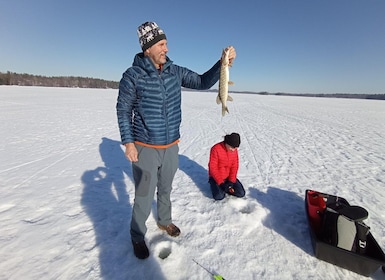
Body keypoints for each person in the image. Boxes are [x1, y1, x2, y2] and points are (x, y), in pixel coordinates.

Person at [116, 21, 236, 259]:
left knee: (167, 189)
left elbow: (202, 82)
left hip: (171, 145)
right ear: (147, 47)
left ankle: (164, 221)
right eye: (161, 44)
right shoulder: (133, 75)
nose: (166, 49)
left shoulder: (174, 71)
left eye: (166, 43)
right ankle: (137, 235)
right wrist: (129, 142)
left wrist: (221, 64)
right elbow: (123, 109)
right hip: (145, 146)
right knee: (143, 194)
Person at [208, 133, 245, 200]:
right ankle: (217, 187)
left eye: (235, 148)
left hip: (228, 177)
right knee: (219, 196)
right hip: (217, 178)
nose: (233, 150)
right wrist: (221, 183)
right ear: (227, 143)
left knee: (241, 193)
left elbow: (235, 166)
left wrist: (231, 181)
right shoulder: (215, 149)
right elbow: (213, 168)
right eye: (232, 147)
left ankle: (226, 188)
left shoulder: (234, 150)